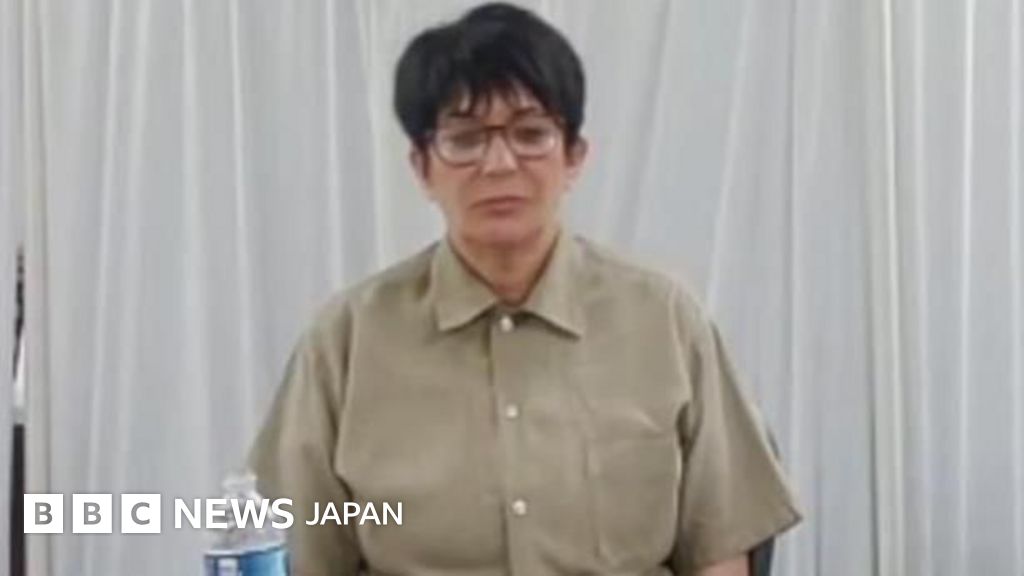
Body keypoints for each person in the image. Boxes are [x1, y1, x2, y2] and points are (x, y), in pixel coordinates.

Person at [248, 3, 801, 575]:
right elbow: (289, 549)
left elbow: (719, 549)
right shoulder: (347, 341)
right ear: (421, 168)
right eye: (464, 139)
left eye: (531, 133)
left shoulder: (664, 320)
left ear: (574, 158)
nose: (499, 163)